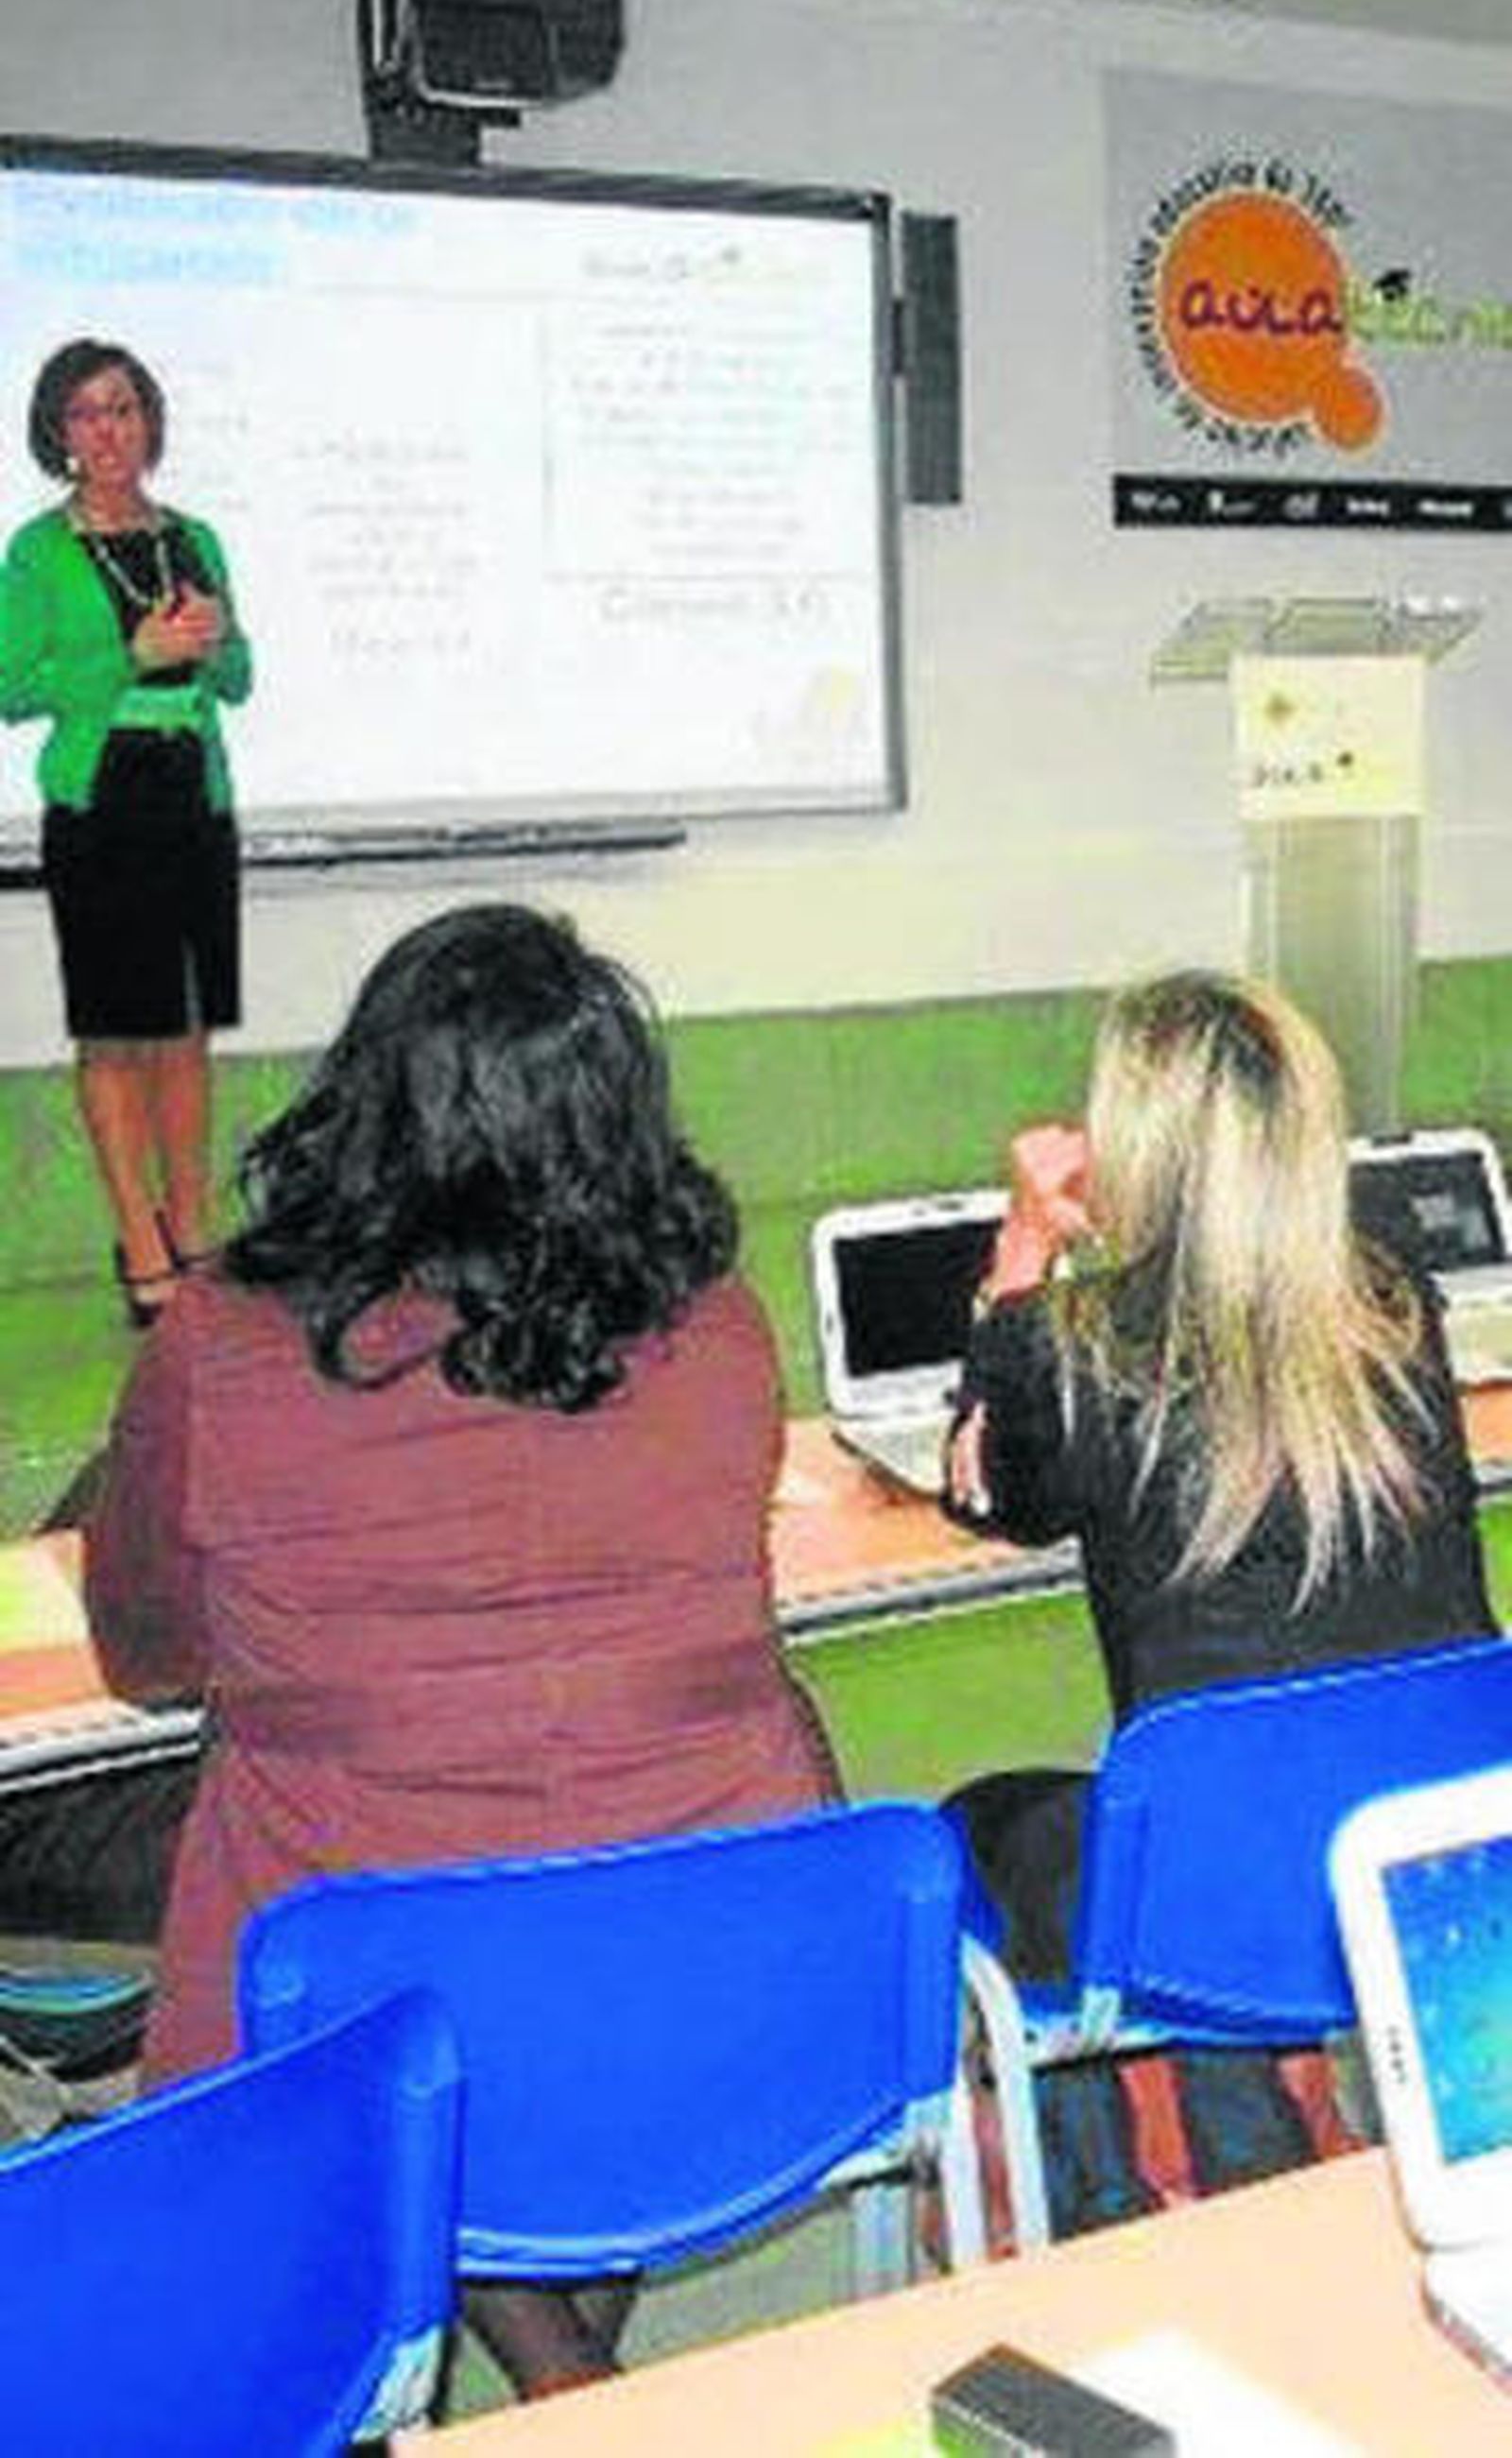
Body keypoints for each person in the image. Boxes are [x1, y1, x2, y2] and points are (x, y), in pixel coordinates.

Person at [78, 901, 839, 2397]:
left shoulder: (223, 1343)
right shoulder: (717, 1329)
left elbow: (145, 1651)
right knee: (554, 2038)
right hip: (706, 1959)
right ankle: (576, 2391)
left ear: (366, 1104)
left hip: (358, 1992)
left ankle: (543, 2390)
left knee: (419, 2017)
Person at [943, 971, 1496, 2218]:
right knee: (1228, 1772)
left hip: (1216, 1884)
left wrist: (1022, 1252)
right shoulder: (1396, 1298)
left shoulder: (1079, 1340)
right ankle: (1249, 2130)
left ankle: (1104, 2210)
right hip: (1426, 1855)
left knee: (1000, 1823)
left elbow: (985, 1493)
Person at [0, 338, 251, 1326]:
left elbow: (236, 682)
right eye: (86, 413)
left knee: (186, 1028)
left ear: (150, 420)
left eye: (124, 408)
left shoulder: (195, 536)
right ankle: (139, 1244)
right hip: (103, 804)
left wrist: (223, 641)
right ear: (59, 436)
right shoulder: (38, 550)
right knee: (116, 1033)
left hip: (195, 794)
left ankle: (192, 1228)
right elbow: (12, 685)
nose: (110, 429)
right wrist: (127, 653)